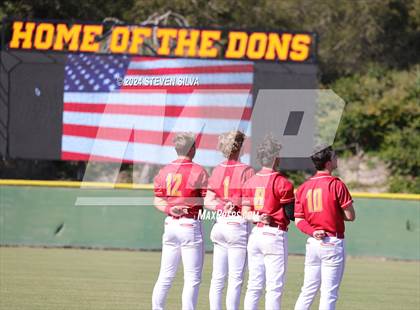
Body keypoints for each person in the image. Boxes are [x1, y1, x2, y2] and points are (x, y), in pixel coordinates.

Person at [294, 146, 356, 310]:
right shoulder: (336, 184)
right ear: (329, 163)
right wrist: (334, 213)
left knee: (307, 291)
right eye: (335, 157)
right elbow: (350, 216)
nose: (337, 159)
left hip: (313, 242)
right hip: (332, 242)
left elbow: (299, 220)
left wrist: (313, 231)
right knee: (329, 294)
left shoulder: (303, 187)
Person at [152, 132, 208, 310]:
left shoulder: (165, 170)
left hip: (170, 224)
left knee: (166, 275)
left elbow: (157, 200)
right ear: (192, 148)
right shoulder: (198, 170)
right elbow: (208, 200)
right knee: (192, 278)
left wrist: (170, 208)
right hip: (189, 225)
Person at [242, 135, 295, 310]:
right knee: (274, 288)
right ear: (275, 157)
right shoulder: (283, 182)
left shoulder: (250, 181)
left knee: (254, 286)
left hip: (256, 234)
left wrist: (258, 217)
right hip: (274, 235)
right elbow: (290, 214)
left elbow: (245, 212)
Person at [204, 130, 255, 310]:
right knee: (236, 279)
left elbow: (208, 201)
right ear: (240, 146)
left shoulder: (218, 169)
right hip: (237, 226)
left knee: (218, 278)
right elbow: (253, 201)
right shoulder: (247, 171)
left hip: (220, 224)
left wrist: (221, 206)